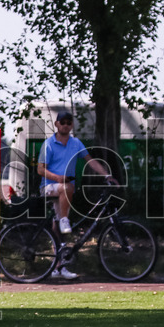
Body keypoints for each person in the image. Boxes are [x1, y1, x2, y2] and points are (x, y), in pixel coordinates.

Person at [37, 110, 117, 279]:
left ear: (71, 125)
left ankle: (59, 267)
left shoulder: (76, 143)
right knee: (65, 195)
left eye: (68, 122)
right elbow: (40, 169)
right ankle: (64, 220)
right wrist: (59, 178)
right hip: (49, 187)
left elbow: (91, 161)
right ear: (56, 124)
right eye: (62, 122)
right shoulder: (49, 144)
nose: (65, 125)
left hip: (66, 190)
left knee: (57, 227)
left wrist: (107, 175)